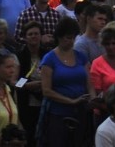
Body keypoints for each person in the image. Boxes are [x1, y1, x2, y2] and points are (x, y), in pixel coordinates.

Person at [39, 16, 96, 147]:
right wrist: (70, 101)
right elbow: (46, 90)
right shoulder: (49, 59)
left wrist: (93, 99)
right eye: (68, 38)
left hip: (81, 112)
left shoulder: (81, 57)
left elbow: (89, 83)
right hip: (59, 114)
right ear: (59, 37)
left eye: (73, 38)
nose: (71, 41)